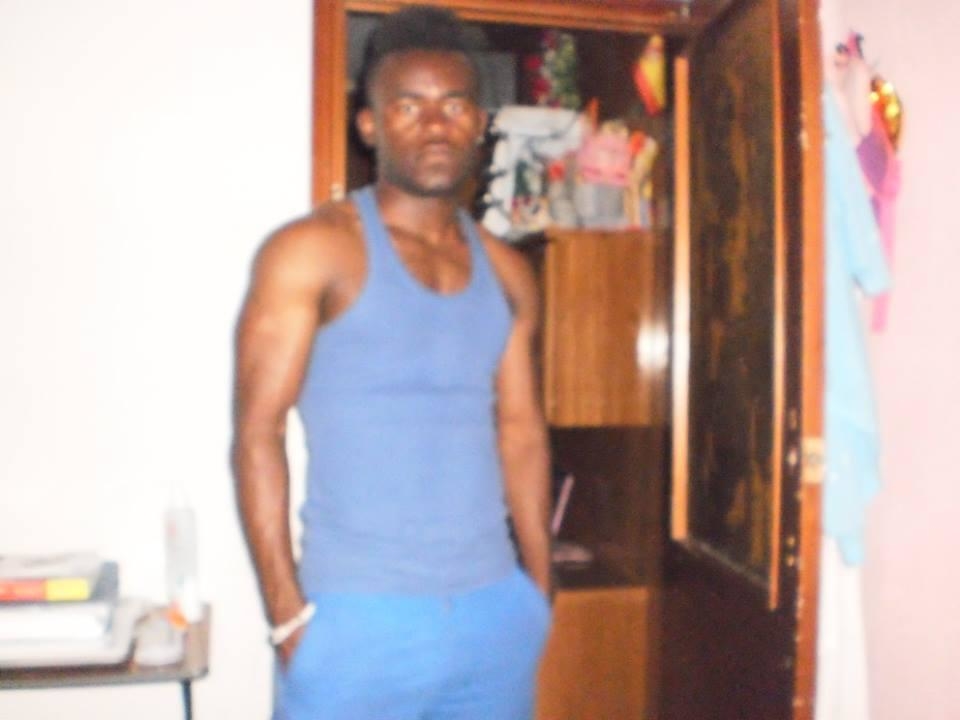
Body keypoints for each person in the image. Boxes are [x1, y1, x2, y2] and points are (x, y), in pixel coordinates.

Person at [232, 6, 553, 719]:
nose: (435, 124)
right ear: (369, 125)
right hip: (356, 621)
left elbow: (522, 432)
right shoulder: (311, 251)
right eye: (409, 106)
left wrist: (538, 588)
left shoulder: (509, 272)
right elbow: (257, 434)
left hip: (494, 615)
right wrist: (286, 617)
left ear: (479, 122)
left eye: (454, 105)